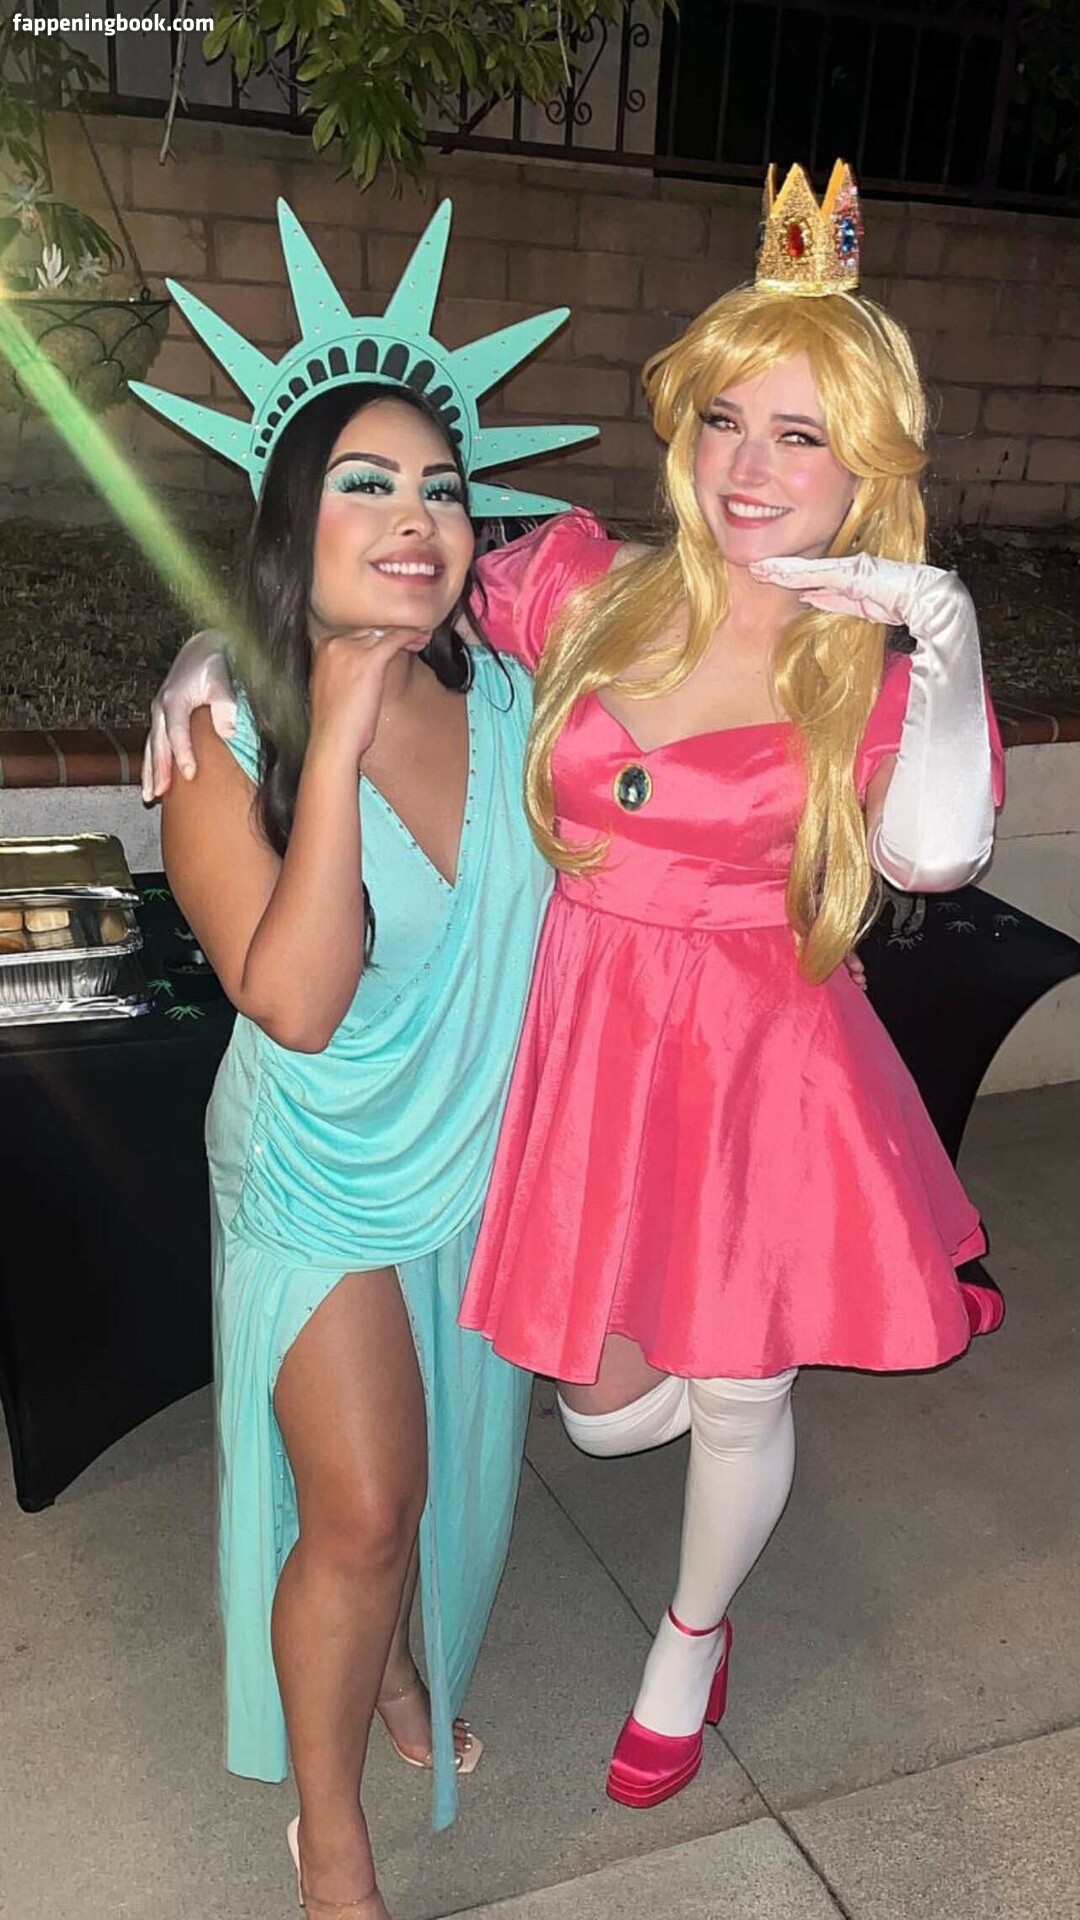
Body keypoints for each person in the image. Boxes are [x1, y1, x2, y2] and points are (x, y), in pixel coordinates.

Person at [145, 165, 1004, 1823]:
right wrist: (213, 651)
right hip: (589, 1050)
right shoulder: (587, 590)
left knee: (740, 1386)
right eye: (728, 420)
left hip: (759, 1063)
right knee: (609, 1414)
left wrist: (949, 638)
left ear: (868, 468)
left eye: (802, 436)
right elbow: (382, 578)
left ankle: (691, 1638)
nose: (749, 467)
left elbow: (940, 854)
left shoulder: (870, 669)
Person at [132, 201, 599, 1919]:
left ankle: (395, 1665)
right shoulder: (219, 735)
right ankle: (328, 1839)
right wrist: (323, 733)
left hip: (475, 1154)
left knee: (432, 1491)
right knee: (365, 1506)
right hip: (318, 1167)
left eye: (442, 489)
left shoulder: (518, 697)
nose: (417, 517)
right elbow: (297, 1003)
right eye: (367, 484)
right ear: (293, 520)